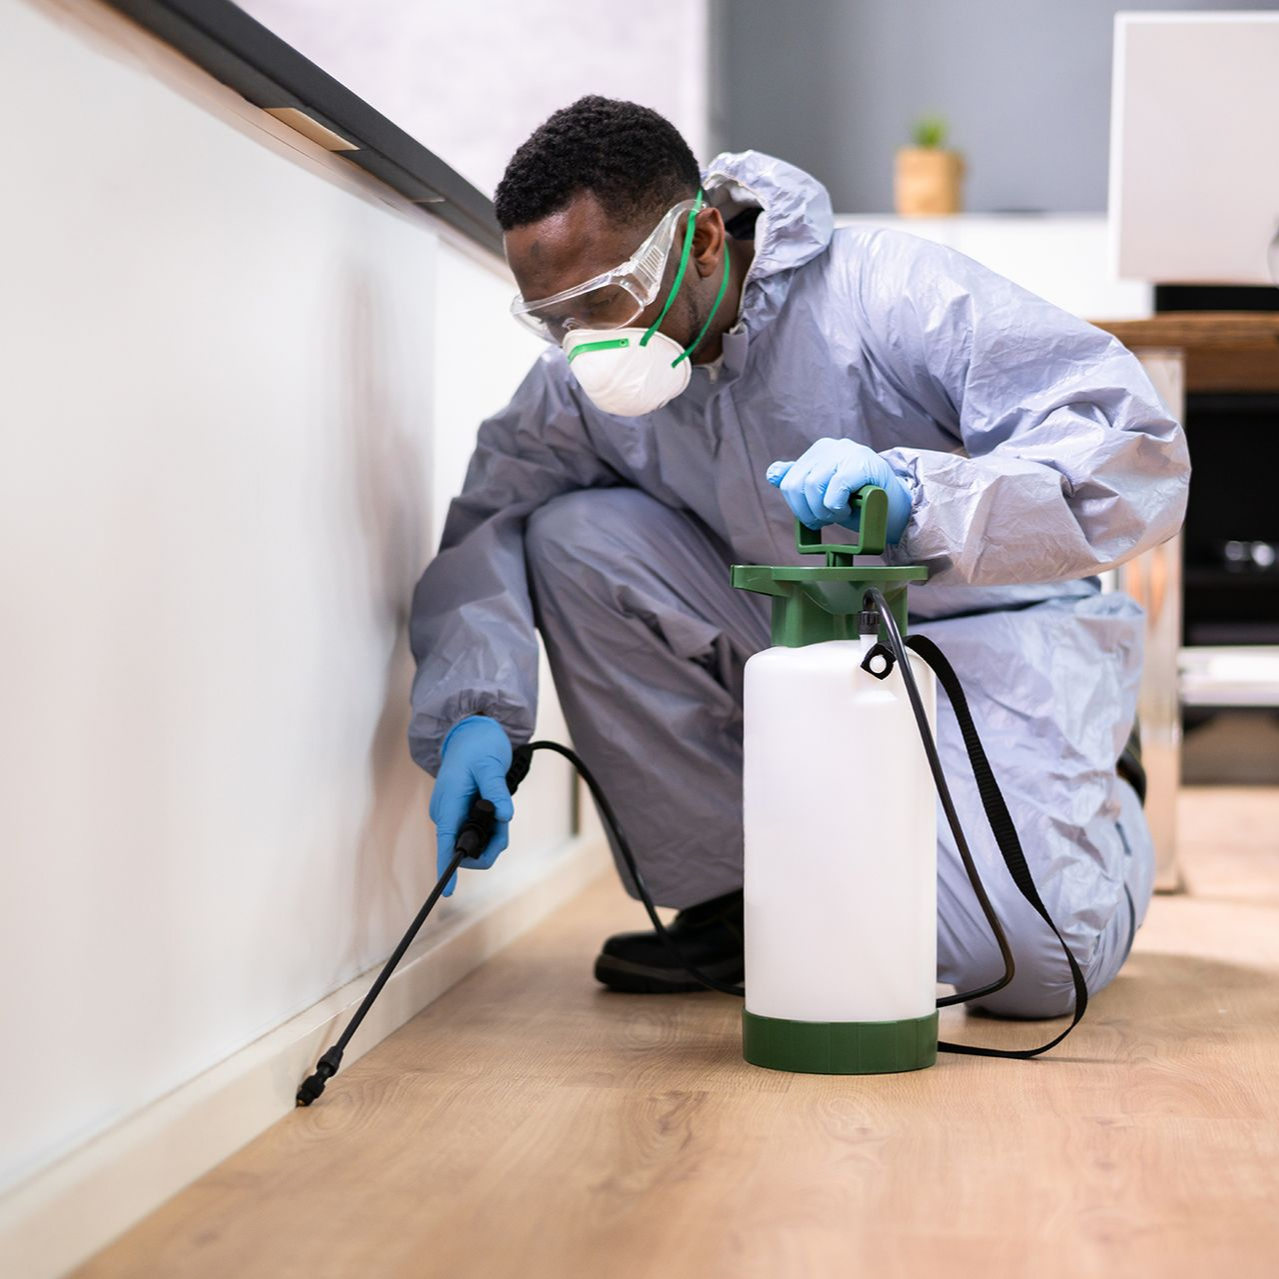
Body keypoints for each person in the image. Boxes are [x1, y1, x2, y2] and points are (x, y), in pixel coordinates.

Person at [408, 96, 1189, 1017]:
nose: (583, 343)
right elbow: (490, 516)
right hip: (793, 637)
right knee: (573, 538)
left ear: (700, 240)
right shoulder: (576, 389)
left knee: (1024, 971)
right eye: (553, 317)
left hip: (981, 639)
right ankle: (736, 902)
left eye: (603, 299)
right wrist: (473, 713)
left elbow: (1132, 455)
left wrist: (917, 495)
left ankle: (1107, 796)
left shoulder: (887, 292)